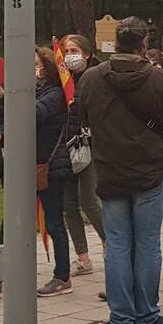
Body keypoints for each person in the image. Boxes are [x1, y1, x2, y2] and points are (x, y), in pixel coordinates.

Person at [76, 18, 163, 324]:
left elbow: (80, 115)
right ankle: (147, 313)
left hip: (110, 169)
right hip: (150, 170)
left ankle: (122, 317)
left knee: (116, 244)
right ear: (143, 44)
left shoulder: (90, 78)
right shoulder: (156, 78)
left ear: (116, 42)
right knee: (147, 242)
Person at [0, 47, 73, 300]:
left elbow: (31, 114)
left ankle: (62, 276)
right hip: (26, 165)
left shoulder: (55, 94)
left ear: (48, 68)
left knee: (54, 223)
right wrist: (1, 137)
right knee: (10, 222)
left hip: (47, 167)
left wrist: (3, 96)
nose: (32, 70)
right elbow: (18, 121)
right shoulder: (33, 91)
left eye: (36, 64)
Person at [57, 35, 105, 274]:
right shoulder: (63, 78)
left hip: (89, 144)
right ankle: (83, 257)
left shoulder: (96, 77)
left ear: (86, 53)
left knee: (89, 201)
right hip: (67, 145)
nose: (69, 55)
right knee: (69, 206)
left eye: (74, 50)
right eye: (66, 51)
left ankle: (112, 244)